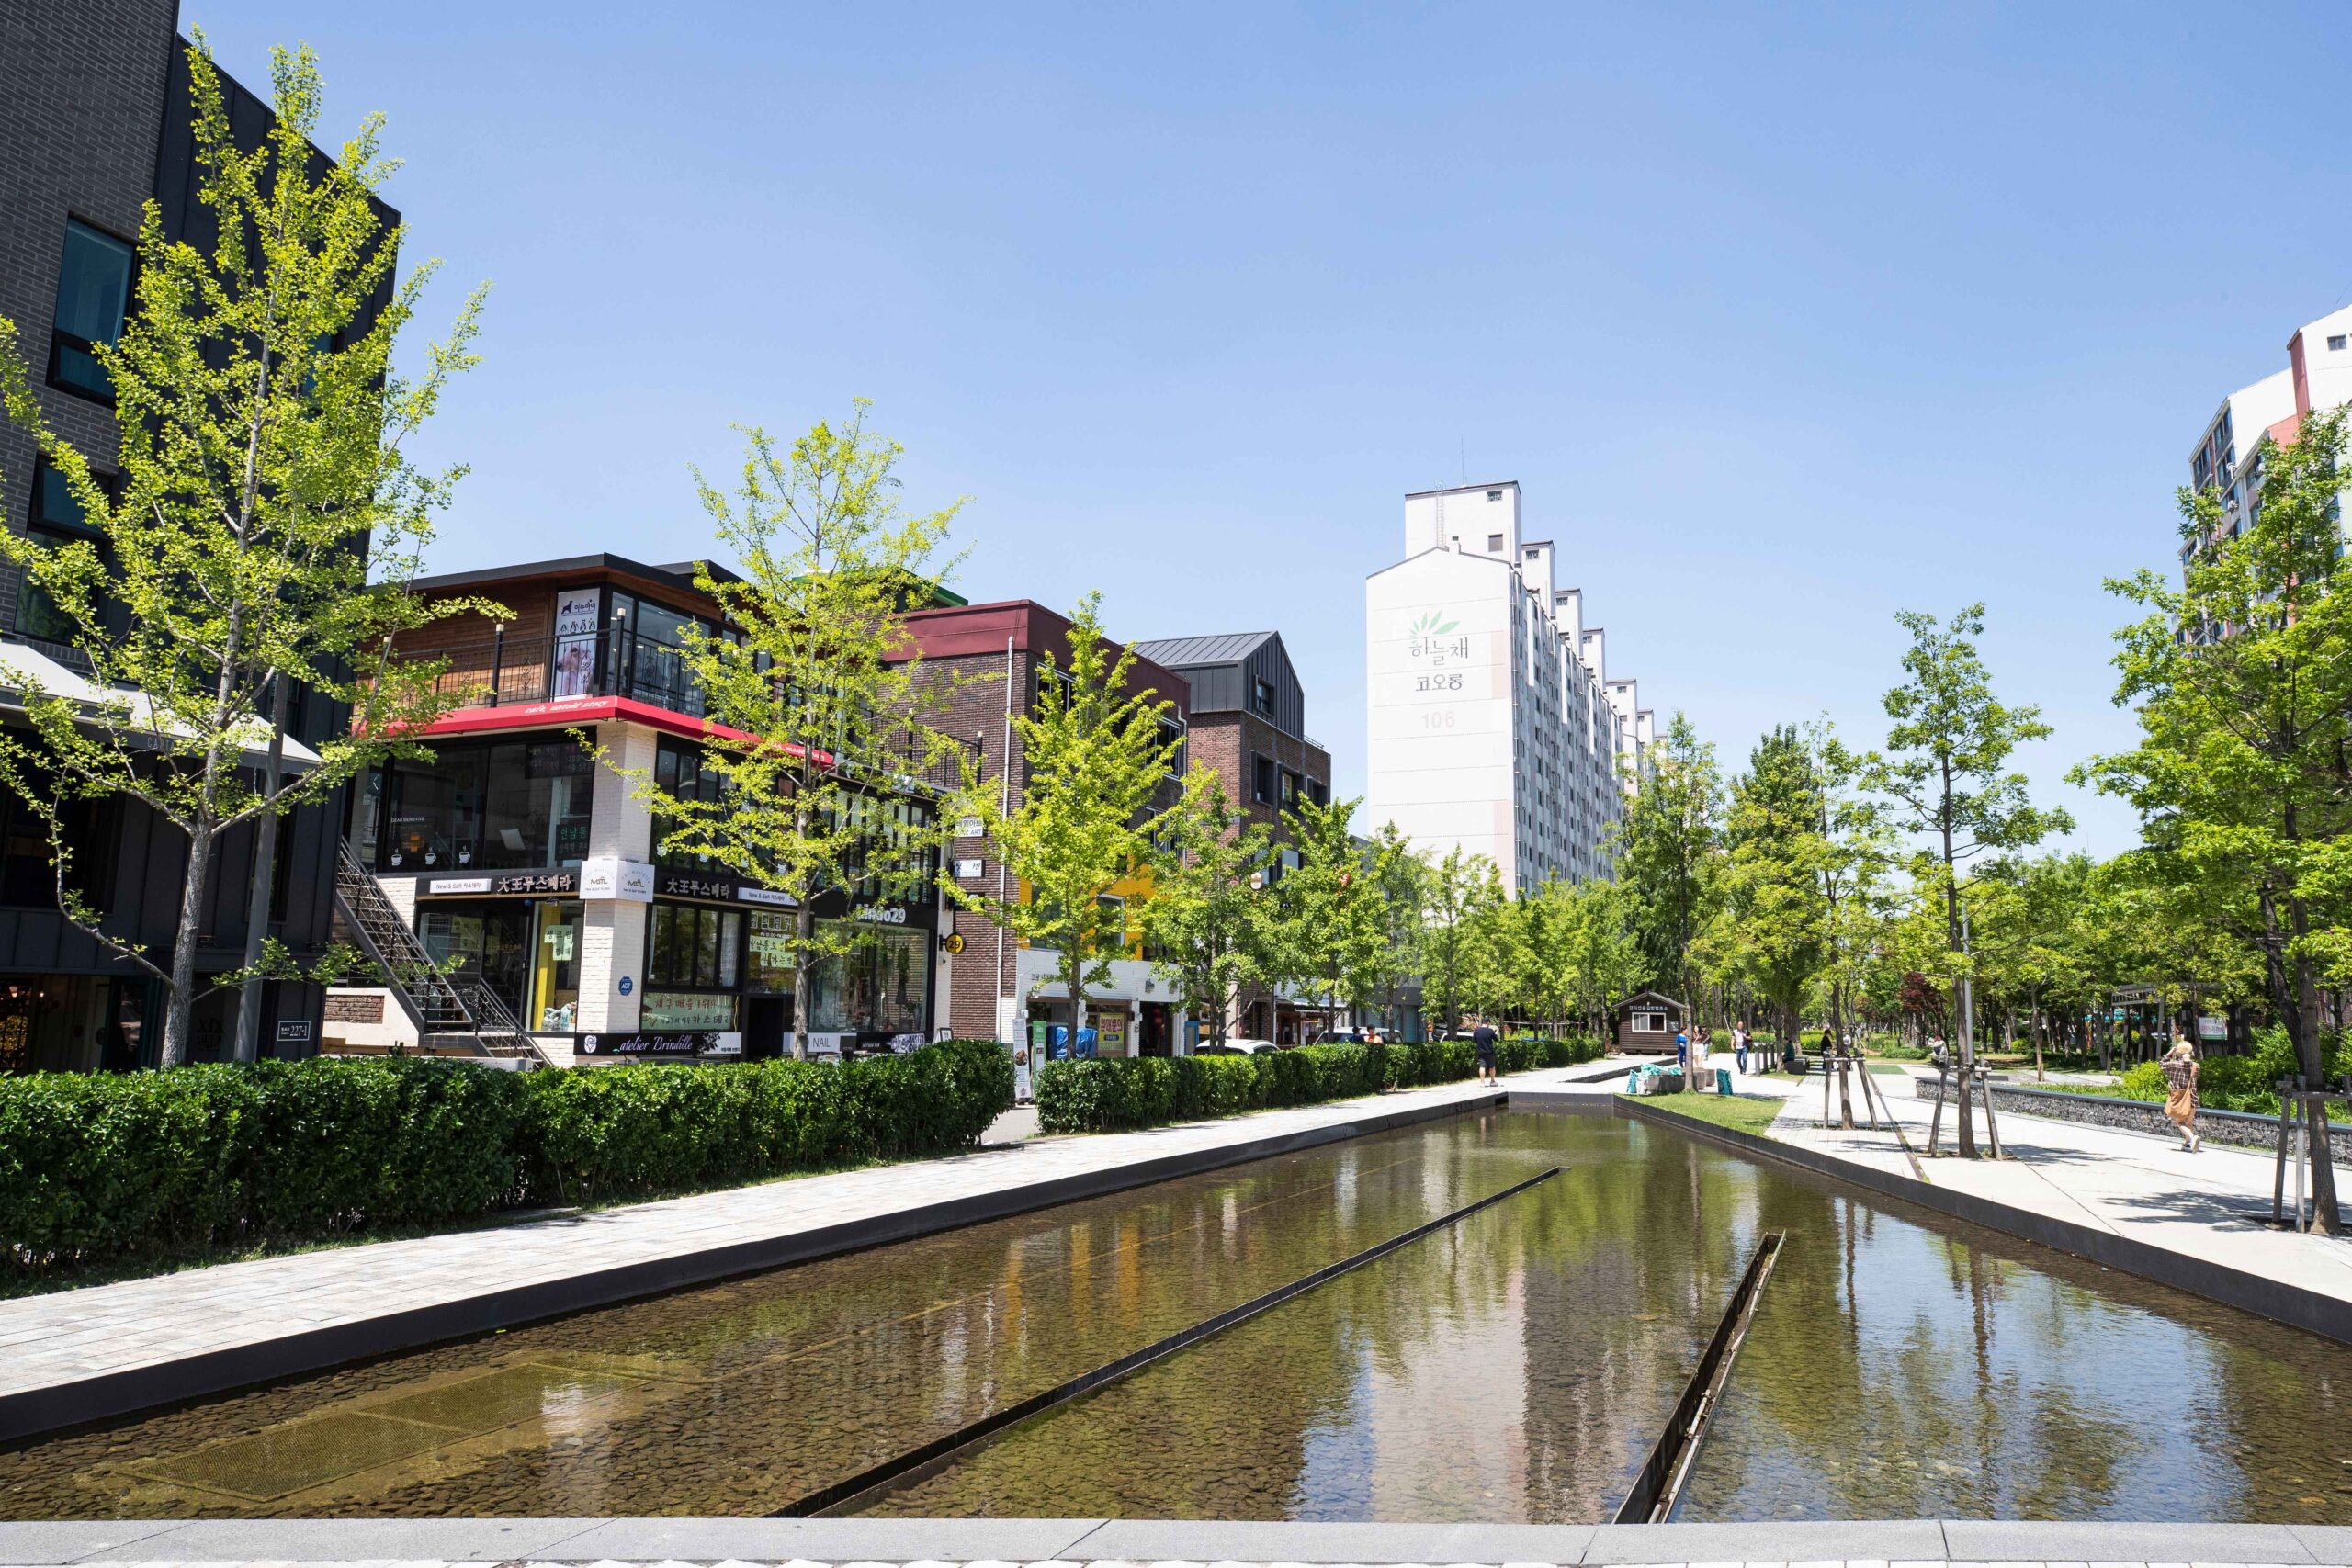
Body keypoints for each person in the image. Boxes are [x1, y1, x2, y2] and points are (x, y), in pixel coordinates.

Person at [2162, 1040, 2201, 1153]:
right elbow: (2195, 1077)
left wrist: (2170, 1053)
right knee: (2189, 1122)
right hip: (2193, 1098)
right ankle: (2187, 1144)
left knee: (2180, 1122)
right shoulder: (2196, 1066)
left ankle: (2192, 1138)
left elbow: (2161, 1064)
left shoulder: (2173, 1065)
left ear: (2178, 1053)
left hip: (2179, 1099)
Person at [1472, 1016, 1499, 1084]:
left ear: (1483, 1022)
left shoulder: (1476, 1031)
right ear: (1488, 1023)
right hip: (1490, 1052)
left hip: (1481, 1052)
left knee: (1482, 1067)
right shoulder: (1490, 1031)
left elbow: (1474, 1041)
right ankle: (1492, 1081)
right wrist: (1496, 1032)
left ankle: (1482, 1082)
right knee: (1492, 1067)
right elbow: (1496, 1039)